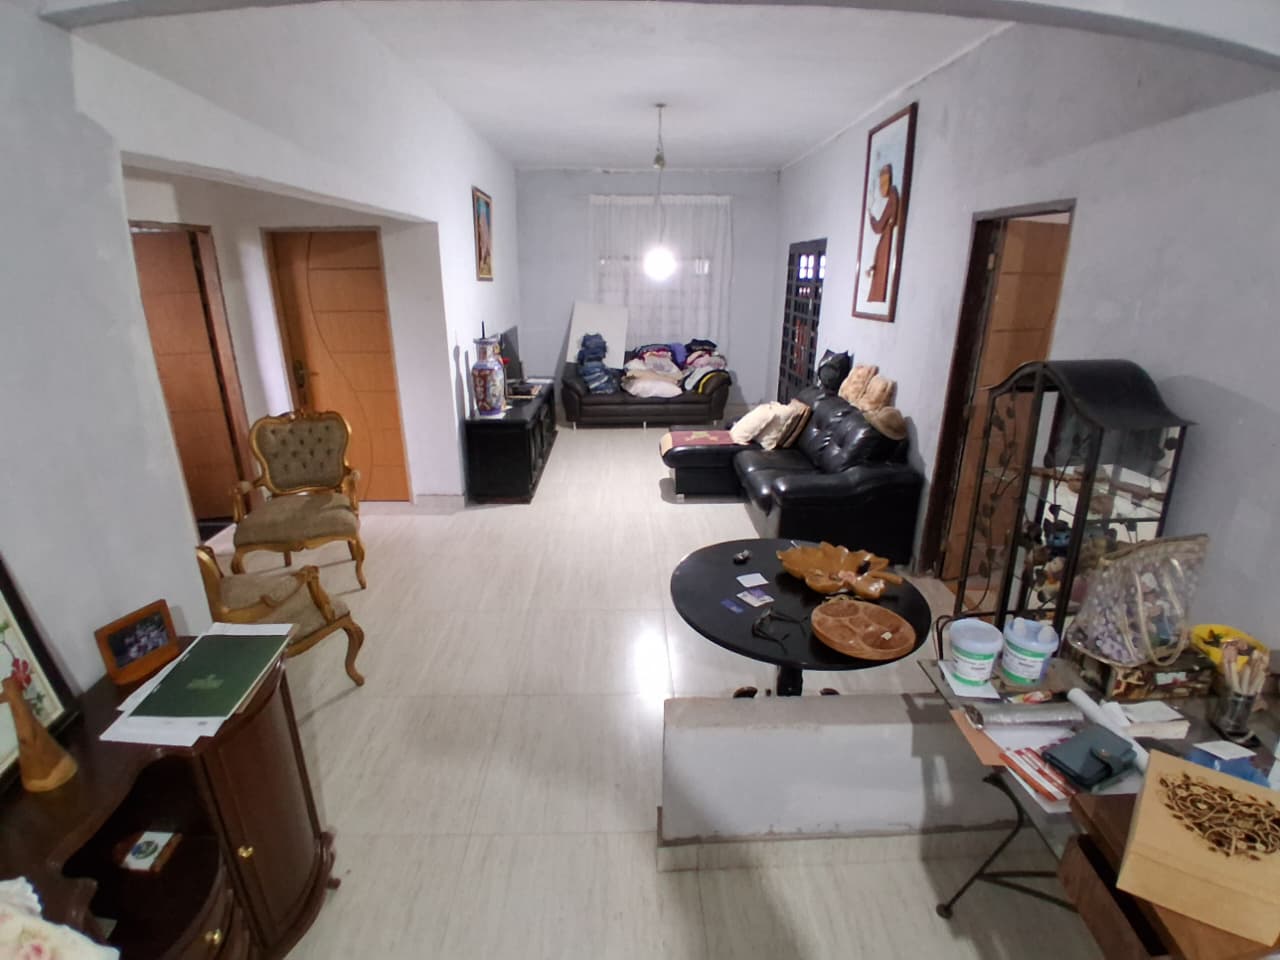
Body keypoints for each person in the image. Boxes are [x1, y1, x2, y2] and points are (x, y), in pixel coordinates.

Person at [865, 163, 899, 303]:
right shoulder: (893, 196)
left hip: (887, 245)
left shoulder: (893, 197)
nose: (881, 188)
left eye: (882, 183)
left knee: (879, 283)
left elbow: (878, 227)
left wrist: (870, 214)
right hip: (886, 243)